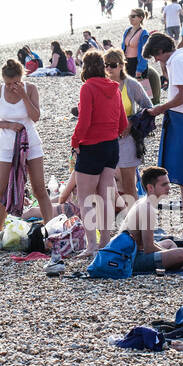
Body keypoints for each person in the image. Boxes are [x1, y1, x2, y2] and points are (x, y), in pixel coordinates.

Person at [143, 32, 183, 238]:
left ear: (161, 50)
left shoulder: (178, 61)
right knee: (178, 177)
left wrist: (162, 108)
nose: (156, 60)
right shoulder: (180, 59)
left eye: (156, 55)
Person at [0, 59, 55, 236]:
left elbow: (35, 117)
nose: (11, 87)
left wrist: (24, 95)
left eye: (15, 82)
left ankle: (50, 231)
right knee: (3, 189)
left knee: (39, 189)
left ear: (21, 78)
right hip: (8, 146)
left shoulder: (31, 89)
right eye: (8, 83)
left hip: (31, 143)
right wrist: (8, 125)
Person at [70, 50, 127, 253]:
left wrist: (75, 141)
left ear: (85, 68)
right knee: (105, 197)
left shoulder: (87, 88)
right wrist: (114, 133)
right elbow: (123, 122)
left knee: (85, 198)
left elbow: (84, 121)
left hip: (92, 146)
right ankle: (105, 242)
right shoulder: (115, 88)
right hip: (111, 147)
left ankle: (91, 245)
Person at [105, 48, 153, 211]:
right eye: (106, 65)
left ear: (121, 65)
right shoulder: (102, 84)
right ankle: (116, 215)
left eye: (112, 65)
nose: (109, 69)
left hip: (126, 138)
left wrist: (131, 122)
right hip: (106, 139)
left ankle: (133, 218)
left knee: (128, 183)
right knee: (106, 182)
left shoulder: (131, 84)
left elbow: (148, 107)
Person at [119, 167, 183, 274]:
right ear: (150, 188)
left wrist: (170, 252)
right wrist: (171, 253)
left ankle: (177, 260)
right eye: (164, 185)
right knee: (182, 254)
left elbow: (147, 244)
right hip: (129, 259)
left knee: (169, 243)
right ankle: (178, 261)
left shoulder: (145, 203)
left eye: (168, 183)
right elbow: (149, 248)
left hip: (131, 252)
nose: (169, 188)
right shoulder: (147, 209)